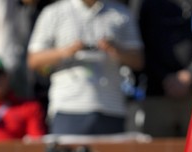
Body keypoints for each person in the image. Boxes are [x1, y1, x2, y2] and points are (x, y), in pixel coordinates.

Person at [26, 0, 144, 135]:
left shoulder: (121, 13)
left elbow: (138, 61)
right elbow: (34, 59)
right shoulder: (53, 11)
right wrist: (67, 51)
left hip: (112, 106)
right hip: (68, 106)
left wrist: (114, 49)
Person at [135, 0, 192, 138]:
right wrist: (164, 76)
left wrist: (190, 74)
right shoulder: (148, 4)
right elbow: (139, 45)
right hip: (156, 94)